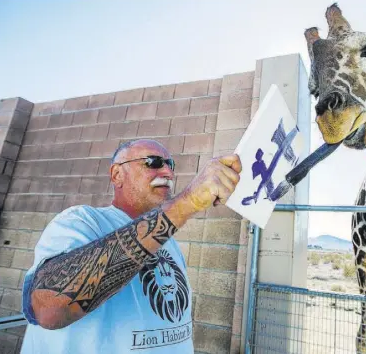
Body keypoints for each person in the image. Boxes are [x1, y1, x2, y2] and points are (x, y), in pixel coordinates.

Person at [20, 139, 242, 353]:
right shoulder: (82, 221)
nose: (168, 173)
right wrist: (186, 204)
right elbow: (49, 308)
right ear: (117, 174)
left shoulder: (168, 242)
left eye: (170, 164)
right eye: (153, 162)